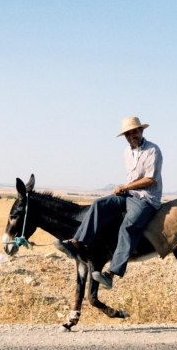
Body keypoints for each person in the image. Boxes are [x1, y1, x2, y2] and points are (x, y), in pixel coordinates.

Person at [54, 116, 163, 289]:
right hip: (129, 194)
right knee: (99, 204)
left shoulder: (153, 150)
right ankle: (76, 243)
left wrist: (125, 187)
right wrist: (126, 189)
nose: (131, 135)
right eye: (127, 133)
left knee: (128, 227)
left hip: (146, 199)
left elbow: (150, 180)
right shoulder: (127, 152)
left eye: (134, 131)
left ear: (141, 131)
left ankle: (111, 274)